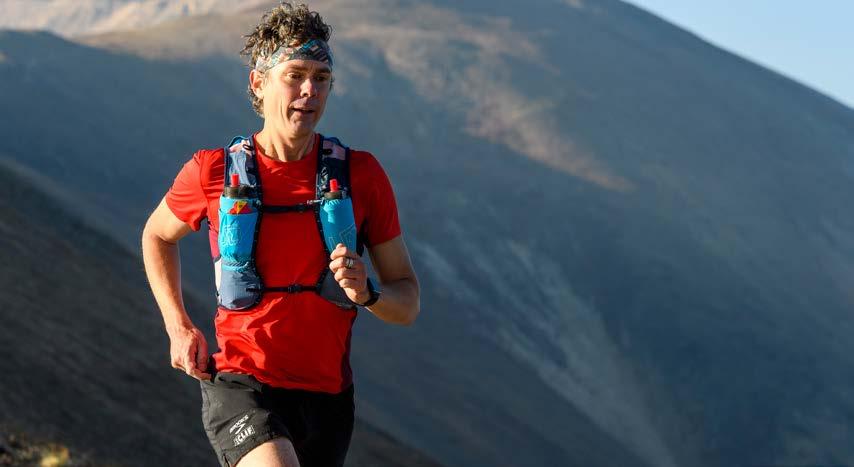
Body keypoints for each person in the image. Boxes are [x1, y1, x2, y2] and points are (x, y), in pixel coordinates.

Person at [140, 3, 420, 466]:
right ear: (258, 82)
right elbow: (156, 236)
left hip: (328, 396)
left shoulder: (362, 176)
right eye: (295, 75)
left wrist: (367, 293)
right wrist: (178, 326)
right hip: (243, 383)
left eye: (322, 77)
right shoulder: (212, 171)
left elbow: (407, 302)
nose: (310, 90)